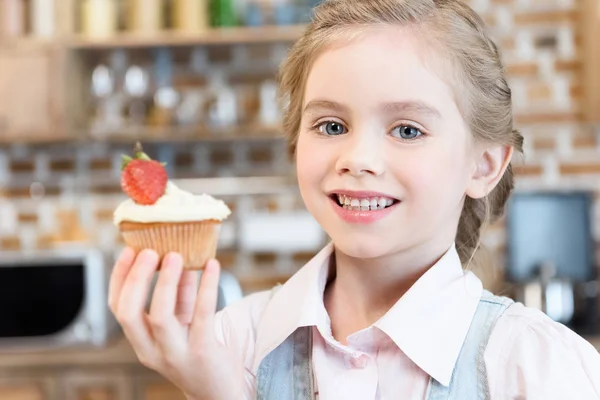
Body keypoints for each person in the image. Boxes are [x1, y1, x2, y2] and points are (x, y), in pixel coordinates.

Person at [107, 0, 600, 399]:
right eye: (331, 126)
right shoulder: (231, 341)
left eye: (407, 129)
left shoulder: (536, 366)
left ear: (484, 165)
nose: (358, 158)